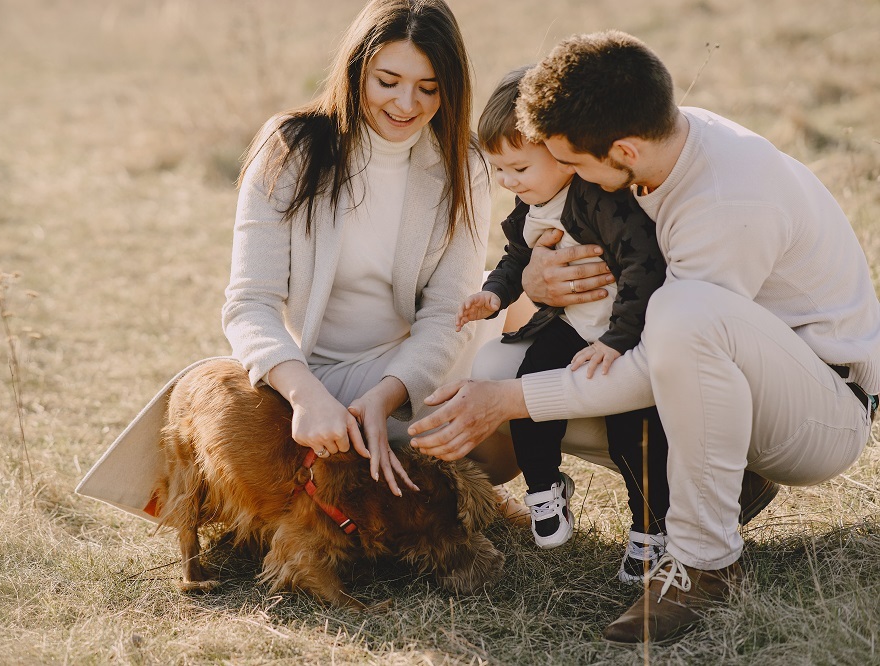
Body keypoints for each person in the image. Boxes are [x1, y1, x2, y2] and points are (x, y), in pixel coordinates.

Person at [408, 29, 880, 643]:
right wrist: (534, 279)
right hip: (730, 380)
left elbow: (661, 355)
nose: (570, 180)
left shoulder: (723, 198)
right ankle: (718, 481)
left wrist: (510, 403)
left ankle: (706, 565)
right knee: (497, 368)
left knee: (681, 315)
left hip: (820, 414)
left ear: (623, 151)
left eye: (575, 165)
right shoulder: (656, 144)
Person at [222, 0, 526, 513]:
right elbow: (249, 304)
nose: (406, 103)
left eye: (428, 88)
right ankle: (435, 480)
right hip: (316, 378)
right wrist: (304, 396)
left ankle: (483, 483)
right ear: (356, 68)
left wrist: (389, 395)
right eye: (388, 81)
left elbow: (447, 307)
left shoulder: (463, 161)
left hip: (416, 374)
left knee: (519, 312)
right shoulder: (289, 150)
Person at [456, 65, 670, 582]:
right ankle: (545, 488)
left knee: (632, 431)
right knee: (530, 387)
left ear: (561, 155)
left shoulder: (599, 202)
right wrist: (495, 293)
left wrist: (619, 339)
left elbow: (645, 266)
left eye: (518, 168)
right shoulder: (527, 207)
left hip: (626, 332)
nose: (508, 181)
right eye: (500, 169)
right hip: (574, 326)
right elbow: (515, 257)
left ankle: (651, 528)